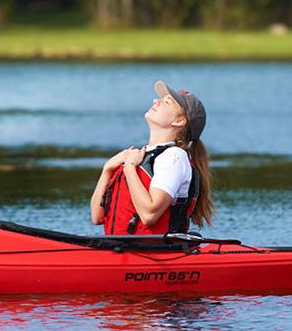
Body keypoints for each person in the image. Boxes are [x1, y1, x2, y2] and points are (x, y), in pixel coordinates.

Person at [90, 80, 213, 235]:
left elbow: (149, 215)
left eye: (167, 102)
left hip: (154, 252)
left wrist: (129, 168)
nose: (156, 100)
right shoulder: (141, 156)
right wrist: (107, 169)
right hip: (121, 247)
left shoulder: (174, 157)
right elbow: (96, 217)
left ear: (179, 121)